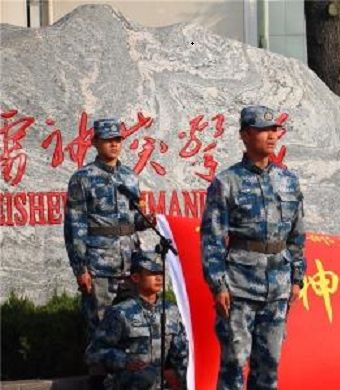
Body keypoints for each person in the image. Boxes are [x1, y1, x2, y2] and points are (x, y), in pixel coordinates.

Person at [201, 105, 306, 390]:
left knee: (268, 368)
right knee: (234, 364)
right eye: (263, 130)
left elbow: (297, 234)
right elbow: (212, 238)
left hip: (277, 288)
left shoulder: (288, 181)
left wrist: (297, 277)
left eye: (275, 130)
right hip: (239, 288)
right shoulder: (226, 183)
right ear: (245, 135)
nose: (272, 136)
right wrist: (218, 285)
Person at [64, 118, 154, 387]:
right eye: (108, 139)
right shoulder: (83, 178)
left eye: (118, 139)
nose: (114, 144)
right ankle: (99, 381)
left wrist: (148, 220)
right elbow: (75, 227)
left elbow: (132, 221)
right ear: (95, 142)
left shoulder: (129, 177)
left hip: (130, 266)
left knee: (132, 326)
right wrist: (81, 268)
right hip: (99, 264)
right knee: (101, 329)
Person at [86, 251, 188, 390]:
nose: (158, 277)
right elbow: (94, 352)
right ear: (136, 277)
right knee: (147, 376)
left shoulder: (171, 310)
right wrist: (125, 361)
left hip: (162, 379)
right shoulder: (120, 313)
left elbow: (182, 349)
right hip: (131, 381)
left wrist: (180, 371)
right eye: (152, 273)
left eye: (160, 272)